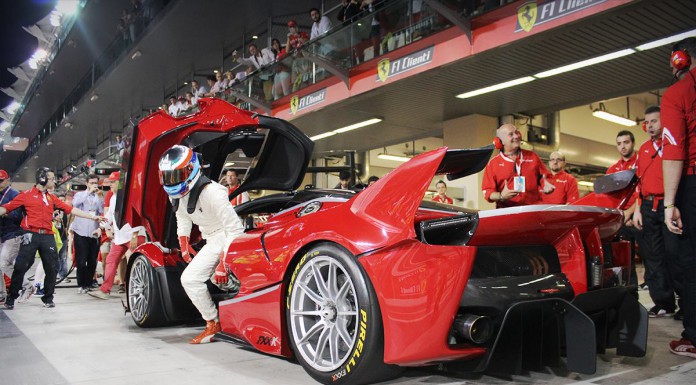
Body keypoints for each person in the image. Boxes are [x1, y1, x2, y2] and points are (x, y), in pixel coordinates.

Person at [158, 145, 243, 343]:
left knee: (190, 279)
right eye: (168, 176)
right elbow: (182, 216)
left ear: (191, 170)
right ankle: (237, 302)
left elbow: (235, 229)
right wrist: (183, 242)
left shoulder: (214, 192)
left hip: (225, 237)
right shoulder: (176, 194)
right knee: (216, 280)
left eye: (176, 175)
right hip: (211, 239)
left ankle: (213, 323)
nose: (172, 181)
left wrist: (224, 261)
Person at [1, 168, 105, 309]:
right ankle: (11, 298)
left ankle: (48, 298)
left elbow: (71, 210)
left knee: (52, 267)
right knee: (20, 266)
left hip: (48, 235)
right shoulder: (26, 195)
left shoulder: (51, 197)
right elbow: (6, 208)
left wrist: (93, 217)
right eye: (51, 178)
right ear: (43, 179)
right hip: (30, 234)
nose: (54, 181)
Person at [661, 37, 696, 358]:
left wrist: (670, 202)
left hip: (692, 182)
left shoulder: (679, 93)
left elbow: (674, 151)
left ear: (681, 60)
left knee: (690, 260)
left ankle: (694, 337)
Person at [632, 105, 681, 318]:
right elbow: (638, 182)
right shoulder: (643, 149)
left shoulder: (673, 144)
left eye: (655, 121)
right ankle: (663, 303)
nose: (651, 125)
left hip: (670, 205)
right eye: (648, 122)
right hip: (647, 206)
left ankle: (686, 304)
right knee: (653, 257)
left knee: (675, 254)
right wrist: (637, 209)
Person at [89, 172, 147, 299]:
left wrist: (135, 235)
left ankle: (140, 290)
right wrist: (101, 228)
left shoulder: (131, 195)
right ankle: (105, 290)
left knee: (137, 263)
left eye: (112, 182)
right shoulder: (113, 197)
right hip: (120, 237)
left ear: (120, 183)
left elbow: (138, 215)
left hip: (133, 235)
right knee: (111, 260)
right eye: (110, 182)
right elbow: (109, 216)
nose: (110, 184)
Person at [482, 124, 554, 208]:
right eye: (511, 134)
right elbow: (488, 192)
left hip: (533, 209)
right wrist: (501, 196)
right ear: (501, 141)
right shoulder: (493, 164)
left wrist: (546, 184)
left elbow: (545, 177)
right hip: (508, 212)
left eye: (517, 132)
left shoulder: (533, 156)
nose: (516, 136)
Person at [607, 130, 640, 286]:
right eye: (619, 144)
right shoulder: (613, 170)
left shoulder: (641, 164)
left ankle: (664, 302)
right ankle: (631, 294)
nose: (623, 146)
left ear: (633, 143)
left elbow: (644, 191)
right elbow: (609, 198)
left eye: (626, 142)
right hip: (622, 220)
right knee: (626, 261)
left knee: (654, 257)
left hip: (640, 215)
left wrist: (630, 213)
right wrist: (622, 217)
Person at [71, 174, 105, 294]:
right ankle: (81, 284)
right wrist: (88, 192)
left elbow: (101, 212)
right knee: (81, 259)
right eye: (91, 183)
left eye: (95, 183)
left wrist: (100, 198)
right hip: (80, 231)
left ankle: (89, 282)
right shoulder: (80, 195)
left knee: (92, 259)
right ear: (87, 183)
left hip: (94, 232)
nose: (94, 185)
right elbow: (74, 205)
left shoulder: (99, 196)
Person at [0, 170, 29, 305]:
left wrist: (5, 213)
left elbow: (19, 217)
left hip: (13, 234)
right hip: (2, 234)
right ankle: (1, 294)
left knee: (4, 263)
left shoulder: (14, 195)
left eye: (1, 181)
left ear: (8, 180)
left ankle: (27, 286)